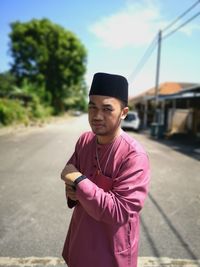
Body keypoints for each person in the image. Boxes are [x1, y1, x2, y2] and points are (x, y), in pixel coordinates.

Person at [61, 72, 150, 267]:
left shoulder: (134, 156)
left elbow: (120, 211)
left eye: (107, 109)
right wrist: (73, 190)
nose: (97, 116)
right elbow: (71, 186)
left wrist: (78, 180)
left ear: (124, 112)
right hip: (80, 242)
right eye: (92, 107)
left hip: (111, 253)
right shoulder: (85, 140)